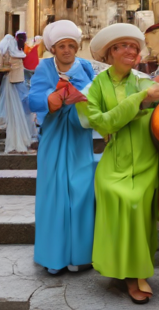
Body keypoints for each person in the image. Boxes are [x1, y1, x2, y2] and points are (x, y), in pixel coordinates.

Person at [80, 23, 159, 304]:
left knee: (136, 205)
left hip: (147, 160)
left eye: (134, 46)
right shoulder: (94, 87)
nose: (131, 50)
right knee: (116, 197)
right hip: (115, 162)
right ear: (110, 54)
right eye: (123, 46)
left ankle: (136, 273)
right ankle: (121, 267)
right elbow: (104, 122)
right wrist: (139, 100)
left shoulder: (144, 80)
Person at [29, 20, 96, 275]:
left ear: (77, 48)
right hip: (54, 133)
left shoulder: (87, 66)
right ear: (53, 49)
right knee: (53, 192)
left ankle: (80, 255)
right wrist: (52, 97)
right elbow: (33, 99)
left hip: (80, 135)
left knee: (81, 190)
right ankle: (53, 256)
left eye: (71, 45)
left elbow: (97, 93)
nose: (67, 50)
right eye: (61, 46)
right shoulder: (44, 67)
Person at [0, 32, 36, 152]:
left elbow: (1, 66)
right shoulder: (19, 54)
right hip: (17, 83)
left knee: (14, 112)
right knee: (21, 111)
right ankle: (27, 137)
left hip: (12, 82)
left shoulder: (8, 55)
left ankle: (22, 137)